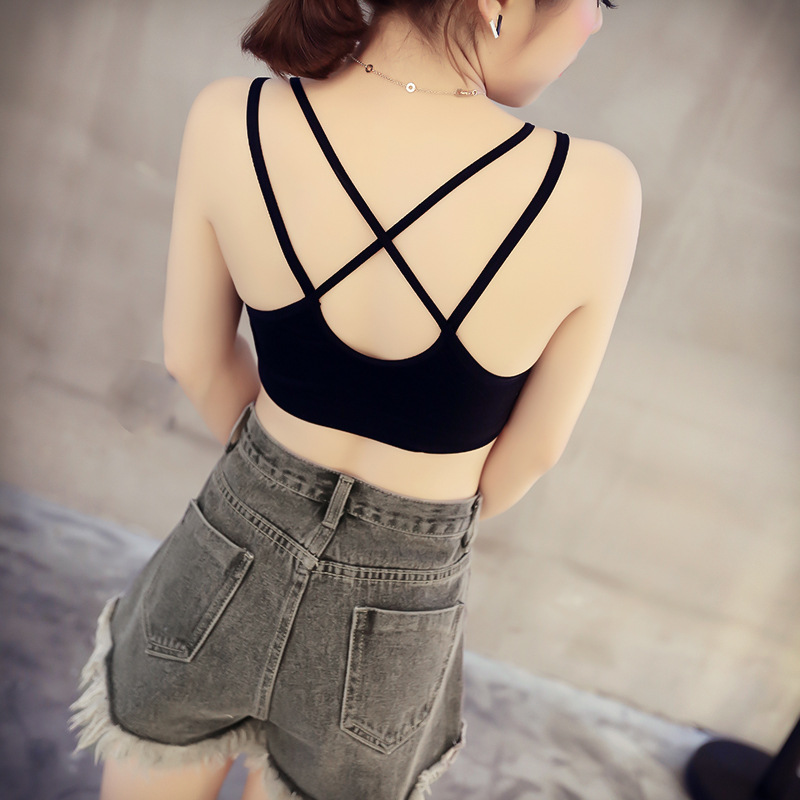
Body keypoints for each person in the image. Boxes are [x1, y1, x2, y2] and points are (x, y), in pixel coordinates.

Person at [69, 0, 640, 797]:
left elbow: (193, 359)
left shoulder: (237, 116)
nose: (595, 23)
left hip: (220, 558)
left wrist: (272, 484)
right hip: (396, 624)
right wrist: (402, 533)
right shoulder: (595, 190)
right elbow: (531, 455)